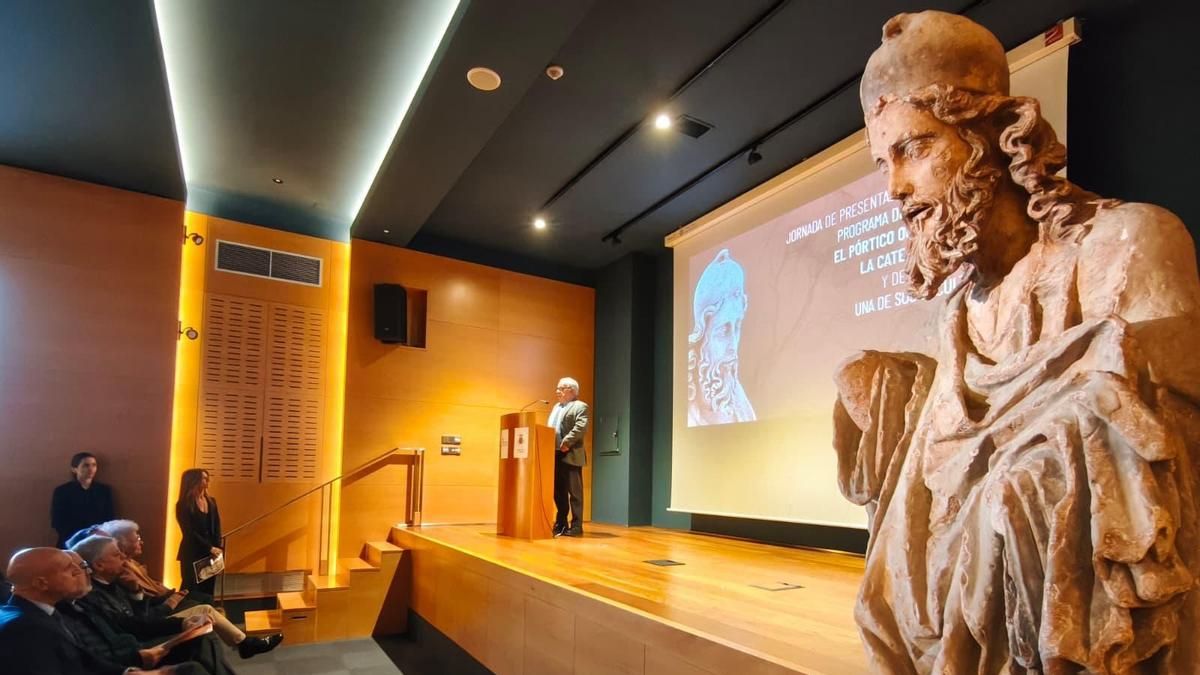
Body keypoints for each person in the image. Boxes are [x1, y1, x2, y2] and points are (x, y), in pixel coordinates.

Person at [832, 11, 1200, 673]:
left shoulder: (1126, 245)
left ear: (998, 136)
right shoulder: (959, 311)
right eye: (883, 161)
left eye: (913, 147)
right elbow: (952, 442)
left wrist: (1040, 446)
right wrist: (891, 385)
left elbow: (1168, 447)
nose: (894, 188)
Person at [0, 547, 197, 674]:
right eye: (70, 570)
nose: (80, 573)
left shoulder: (42, 611)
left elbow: (84, 660)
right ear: (42, 583)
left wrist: (128, 672)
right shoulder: (24, 629)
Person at [101, 519, 281, 657]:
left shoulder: (129, 562)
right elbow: (142, 608)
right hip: (156, 615)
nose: (141, 542)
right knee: (206, 608)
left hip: (159, 605)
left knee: (206, 602)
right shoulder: (122, 570)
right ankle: (243, 644)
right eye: (137, 539)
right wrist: (171, 599)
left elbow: (151, 591)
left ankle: (240, 644)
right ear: (122, 543)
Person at [687, 249, 756, 426]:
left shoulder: (741, 405)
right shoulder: (690, 413)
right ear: (702, 338)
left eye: (737, 327)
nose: (733, 345)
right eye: (723, 330)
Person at [548, 377, 589, 537]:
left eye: (561, 388)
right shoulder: (556, 407)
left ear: (571, 390)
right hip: (554, 454)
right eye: (557, 388)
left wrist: (566, 442)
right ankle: (561, 523)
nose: (557, 391)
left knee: (575, 493)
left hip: (570, 453)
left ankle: (577, 526)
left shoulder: (580, 406)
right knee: (558, 491)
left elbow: (580, 427)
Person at [51, 451, 116, 547]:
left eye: (94, 465)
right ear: (74, 469)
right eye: (86, 465)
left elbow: (110, 517)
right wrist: (80, 536)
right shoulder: (62, 491)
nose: (91, 469)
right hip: (70, 541)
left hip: (97, 541)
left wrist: (98, 534)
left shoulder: (104, 491)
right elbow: (57, 521)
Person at [174, 469, 222, 597]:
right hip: (192, 552)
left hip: (211, 554)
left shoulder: (212, 501)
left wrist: (217, 547)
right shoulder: (183, 504)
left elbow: (217, 526)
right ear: (193, 481)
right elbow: (189, 532)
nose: (207, 481)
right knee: (191, 588)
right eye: (204, 478)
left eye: (207, 478)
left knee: (208, 589)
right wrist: (209, 548)